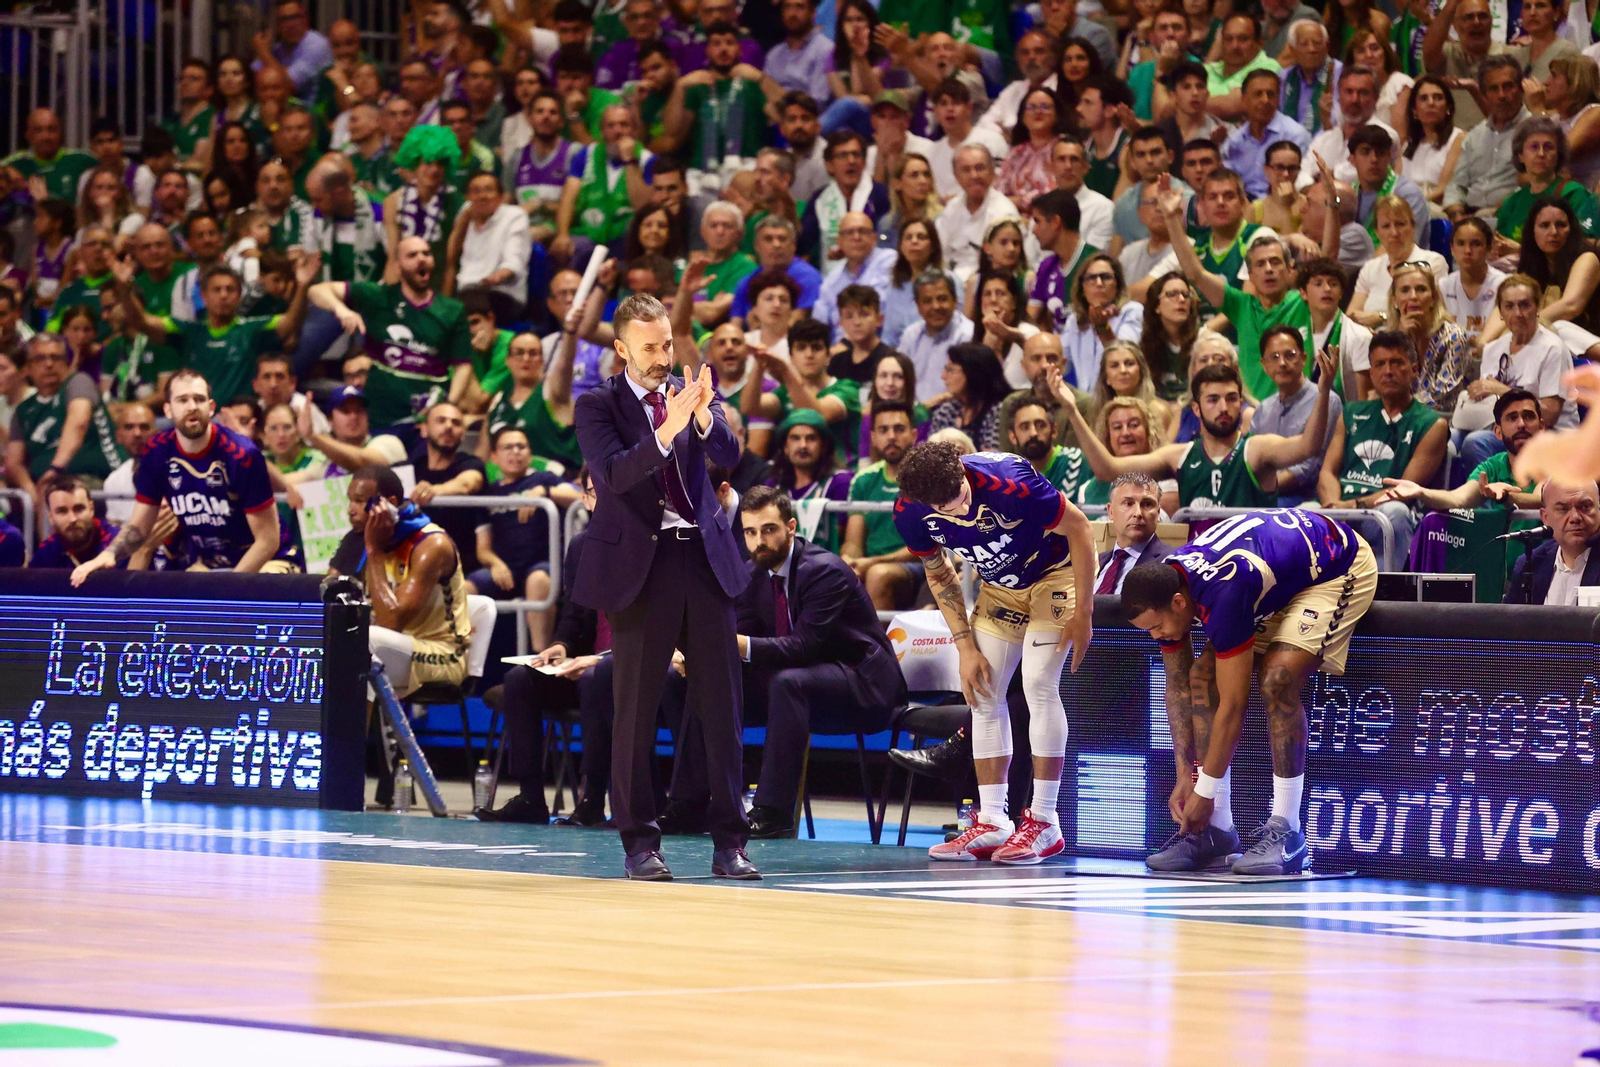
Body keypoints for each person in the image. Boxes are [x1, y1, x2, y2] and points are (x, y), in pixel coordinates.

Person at [571, 292, 755, 882]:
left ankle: (731, 843)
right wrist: (668, 429)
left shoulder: (689, 389)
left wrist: (702, 417)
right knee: (636, 709)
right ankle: (640, 844)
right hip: (640, 568)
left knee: (722, 706)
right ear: (621, 348)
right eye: (649, 348)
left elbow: (730, 453)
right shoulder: (596, 405)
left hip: (702, 557)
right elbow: (616, 475)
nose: (661, 357)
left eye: (667, 344)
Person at [1123, 504, 1379, 876]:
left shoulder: (1223, 593)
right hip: (1271, 574)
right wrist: (1187, 776)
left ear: (1179, 603)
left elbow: (1234, 705)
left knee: (1278, 679)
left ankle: (1289, 832)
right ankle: (1217, 832)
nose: (1157, 636)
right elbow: (1179, 686)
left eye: (1157, 627)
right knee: (1201, 679)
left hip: (1335, 565)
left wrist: (1204, 791)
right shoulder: (1169, 585)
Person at [892, 440, 1096, 864]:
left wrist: (1084, 610)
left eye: (964, 497)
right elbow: (938, 571)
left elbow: (1080, 528)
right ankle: (992, 821)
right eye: (947, 509)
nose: (962, 512)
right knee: (982, 690)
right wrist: (964, 645)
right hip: (1001, 588)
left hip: (1054, 575)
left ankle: (1044, 821)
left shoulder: (1010, 481)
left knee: (1039, 684)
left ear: (963, 471)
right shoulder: (909, 513)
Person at [731, 485, 908, 837]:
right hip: (806, 684)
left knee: (788, 682)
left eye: (769, 530)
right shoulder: (753, 575)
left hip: (862, 684)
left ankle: (772, 812)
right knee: (708, 679)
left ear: (791, 527)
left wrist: (731, 645)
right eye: (750, 532)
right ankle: (691, 802)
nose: (759, 541)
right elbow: (741, 635)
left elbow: (803, 646)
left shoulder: (824, 570)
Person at [1060, 342, 1338, 509]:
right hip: (1198, 568)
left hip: (1252, 566)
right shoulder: (1178, 455)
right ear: (1196, 407)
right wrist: (1072, 410)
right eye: (1213, 400)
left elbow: (1309, 446)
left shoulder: (1257, 449)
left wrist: (1323, 391)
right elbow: (1107, 469)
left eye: (1231, 399)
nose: (1223, 408)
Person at [69, 369, 283, 584]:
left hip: (267, 561)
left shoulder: (242, 455)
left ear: (210, 408)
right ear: (168, 410)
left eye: (199, 399)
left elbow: (268, 541)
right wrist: (107, 555)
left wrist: (228, 589)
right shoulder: (156, 451)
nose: (192, 406)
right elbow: (140, 527)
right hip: (208, 565)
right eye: (182, 400)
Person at [1154, 176, 1311, 399]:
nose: (1268, 269)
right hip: (1254, 414)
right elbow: (1196, 274)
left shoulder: (1304, 301)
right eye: (1260, 264)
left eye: (1275, 263)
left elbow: (1331, 269)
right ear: (1250, 273)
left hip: (1301, 407)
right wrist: (1171, 218)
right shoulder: (1241, 305)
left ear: (1290, 270)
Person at [310, 235, 474, 433]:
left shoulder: (452, 310)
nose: (421, 258)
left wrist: (447, 409)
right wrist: (341, 310)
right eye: (412, 255)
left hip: (425, 421)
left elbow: (463, 365)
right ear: (398, 266)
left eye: (426, 253)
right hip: (381, 416)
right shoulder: (380, 296)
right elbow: (317, 290)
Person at [1316, 329, 1446, 554]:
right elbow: (1327, 472)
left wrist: (1352, 507)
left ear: (1414, 370)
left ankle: (1388, 589)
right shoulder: (1351, 413)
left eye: (1396, 363)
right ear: (1371, 372)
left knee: (1395, 511)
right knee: (1299, 513)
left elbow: (1404, 490)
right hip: (1342, 507)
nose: (1388, 371)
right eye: (1380, 364)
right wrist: (1336, 510)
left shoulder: (1432, 424)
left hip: (1383, 512)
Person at [1456, 275, 1578, 470]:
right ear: (1501, 312)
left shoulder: (1552, 348)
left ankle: (1494, 499)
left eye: (1524, 305)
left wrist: (1502, 390)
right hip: (1503, 428)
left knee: (1476, 442)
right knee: (1449, 438)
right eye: (1509, 306)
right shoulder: (1492, 349)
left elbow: (1549, 415)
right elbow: (1487, 402)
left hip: (1549, 434)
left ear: (1537, 307)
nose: (1518, 313)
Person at [1381, 387, 1546, 516]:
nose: (1521, 424)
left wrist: (1505, 496)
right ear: (1498, 432)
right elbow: (1458, 498)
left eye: (1528, 416)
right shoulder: (1492, 467)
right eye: (1512, 418)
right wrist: (1420, 491)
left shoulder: (1555, 463)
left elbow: (1540, 500)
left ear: (1541, 427)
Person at [4, 333, 123, 500]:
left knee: (56, 494)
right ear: (27, 368)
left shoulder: (78, 383)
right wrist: (29, 488)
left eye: (56, 358)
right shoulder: (24, 410)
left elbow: (78, 424)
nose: (49, 364)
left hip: (96, 480)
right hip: (46, 486)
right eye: (40, 359)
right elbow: (14, 462)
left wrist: (54, 470)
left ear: (66, 363)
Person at [840, 400, 922, 609]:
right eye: (884, 430)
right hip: (874, 564)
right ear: (874, 438)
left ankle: (878, 643)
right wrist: (850, 560)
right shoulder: (863, 480)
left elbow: (929, 546)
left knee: (878, 574)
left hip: (922, 566)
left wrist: (874, 562)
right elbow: (854, 542)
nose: (892, 436)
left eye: (899, 429)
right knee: (837, 573)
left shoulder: (927, 478)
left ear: (914, 435)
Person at [1440, 55, 1529, 219]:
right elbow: (1456, 184)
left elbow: (1535, 184)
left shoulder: (1534, 131)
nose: (1502, 95)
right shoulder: (1475, 135)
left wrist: (1497, 210)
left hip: (1508, 214)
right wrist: (1457, 214)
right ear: (1484, 94)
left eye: (1508, 86)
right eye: (1494, 89)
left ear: (1521, 87)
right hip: (1468, 214)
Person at [1493, 118, 1600, 250]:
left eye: (1548, 147)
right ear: (1521, 155)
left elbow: (1579, 247)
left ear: (1558, 155)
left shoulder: (1573, 194)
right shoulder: (1511, 203)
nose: (1541, 154)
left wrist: (1521, 251)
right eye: (1534, 147)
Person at [1388, 262, 1473, 417]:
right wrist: (1400, 341)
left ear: (1434, 298)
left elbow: (1443, 398)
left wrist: (1395, 404)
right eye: (1405, 290)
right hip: (1400, 417)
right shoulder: (1389, 338)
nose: (1413, 296)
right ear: (1394, 300)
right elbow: (1385, 385)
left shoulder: (1454, 337)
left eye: (1421, 289)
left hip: (1445, 422)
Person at [1346, 195, 1447, 327]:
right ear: (1377, 232)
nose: (1394, 233)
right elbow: (1351, 316)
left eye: (1400, 224)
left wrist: (1382, 317)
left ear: (1413, 227)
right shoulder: (1370, 268)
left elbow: (1436, 314)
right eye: (1386, 226)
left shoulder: (1432, 262)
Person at [1296, 65, 1398, 190]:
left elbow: (1354, 177)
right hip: (1322, 205)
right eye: (1349, 92)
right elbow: (1302, 174)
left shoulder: (1386, 135)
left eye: (1363, 93)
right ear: (1338, 96)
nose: (1354, 99)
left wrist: (1320, 178)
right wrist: (1315, 189)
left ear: (1376, 98)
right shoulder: (1325, 138)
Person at [937, 145, 1020, 287]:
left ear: (993, 172)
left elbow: (1008, 264)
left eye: (980, 168)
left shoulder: (1005, 212)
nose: (974, 176)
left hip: (987, 285)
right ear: (956, 177)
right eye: (966, 170)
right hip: (950, 283)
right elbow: (938, 253)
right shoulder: (952, 209)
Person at [1506, 479, 1600, 603]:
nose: (1575, 517)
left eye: (1585, 507)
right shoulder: (1529, 564)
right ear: (1545, 518)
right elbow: (1508, 621)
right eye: (1563, 509)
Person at [1221, 70, 1311, 199]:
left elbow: (1301, 181)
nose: (1265, 100)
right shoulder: (1235, 140)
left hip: (1284, 204)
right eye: (1258, 94)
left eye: (1271, 94)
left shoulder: (1295, 135)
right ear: (1244, 100)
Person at [1060, 254, 1143, 392]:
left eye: (1106, 277)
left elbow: (1124, 353)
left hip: (1119, 395)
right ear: (1083, 288)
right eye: (1092, 278)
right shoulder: (1075, 320)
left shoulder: (1131, 311)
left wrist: (1102, 328)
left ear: (1117, 284)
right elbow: (1062, 360)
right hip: (1085, 402)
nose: (1099, 283)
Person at [811, 212, 896, 341]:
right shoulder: (831, 282)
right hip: (837, 356)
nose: (856, 237)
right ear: (839, 241)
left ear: (874, 237)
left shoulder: (889, 261)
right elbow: (818, 326)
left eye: (862, 231)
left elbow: (881, 310)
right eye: (849, 233)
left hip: (879, 347)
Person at [1300, 256, 1373, 398]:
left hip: (1345, 416)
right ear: (1303, 293)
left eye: (1333, 284)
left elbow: (1363, 402)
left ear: (1341, 293)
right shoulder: (1298, 337)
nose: (1327, 289)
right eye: (1318, 284)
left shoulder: (1360, 337)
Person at [729, 215, 822, 325]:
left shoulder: (809, 278)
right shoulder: (746, 282)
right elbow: (735, 324)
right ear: (756, 246)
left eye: (782, 239)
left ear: (793, 246)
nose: (776, 245)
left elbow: (796, 322)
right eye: (768, 239)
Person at [898, 271, 975, 403]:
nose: (936, 306)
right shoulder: (910, 335)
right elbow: (899, 377)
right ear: (918, 306)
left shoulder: (968, 335)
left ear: (955, 301)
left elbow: (965, 389)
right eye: (927, 301)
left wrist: (923, 410)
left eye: (942, 299)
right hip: (912, 413)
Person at [1094, 471, 1175, 594]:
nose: (1137, 513)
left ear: (1158, 513)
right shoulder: (1094, 563)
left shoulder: (1171, 563)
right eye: (1128, 503)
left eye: (1147, 504)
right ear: (1110, 511)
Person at [1027, 189, 1094, 337]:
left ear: (1056, 222)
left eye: (1037, 221)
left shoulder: (1095, 262)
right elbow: (1029, 320)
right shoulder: (1046, 267)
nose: (1033, 230)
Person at [925, 342, 1008, 452]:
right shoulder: (946, 411)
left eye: (950, 370)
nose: (943, 376)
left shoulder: (998, 411)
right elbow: (931, 455)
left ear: (972, 373)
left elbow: (992, 460)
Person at [2, 108, 98, 202]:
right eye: (38, 130)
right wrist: (6, 171)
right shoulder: (17, 163)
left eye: (51, 129)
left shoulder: (82, 160)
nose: (45, 136)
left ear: (61, 132)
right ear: (28, 135)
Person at [29, 475, 122, 569]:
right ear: (51, 517)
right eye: (62, 511)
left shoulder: (117, 541)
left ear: (91, 509)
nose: (72, 519)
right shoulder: (46, 552)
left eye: (78, 509)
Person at [1008, 394, 1089, 500]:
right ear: (1012, 436)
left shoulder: (1077, 460)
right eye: (1025, 427)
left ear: (1054, 430)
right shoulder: (1010, 475)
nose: (1033, 433)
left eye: (1041, 425)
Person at [1400, 74, 1463, 205]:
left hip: (1436, 208)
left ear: (1448, 108)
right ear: (1414, 111)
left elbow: (1442, 191)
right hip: (1404, 207)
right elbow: (1395, 185)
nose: (1431, 103)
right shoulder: (1408, 144)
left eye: (1438, 98)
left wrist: (1407, 206)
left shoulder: (1458, 138)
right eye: (1423, 98)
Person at [1439, 217, 1505, 342]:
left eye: (1476, 244)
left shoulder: (1502, 284)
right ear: (1452, 249)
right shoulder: (1443, 286)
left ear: (1489, 247)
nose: (1467, 251)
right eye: (1461, 243)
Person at [1204, 15, 1281, 123]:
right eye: (1228, 39)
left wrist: (1186, 105)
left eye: (1243, 39)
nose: (1234, 46)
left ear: (1259, 43)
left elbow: (1232, 105)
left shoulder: (1268, 68)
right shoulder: (1207, 70)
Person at [1138, 272, 1201, 402]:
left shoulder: (1203, 344)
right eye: (1172, 294)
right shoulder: (1145, 348)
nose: (1182, 300)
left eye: (1186, 295)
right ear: (1157, 306)